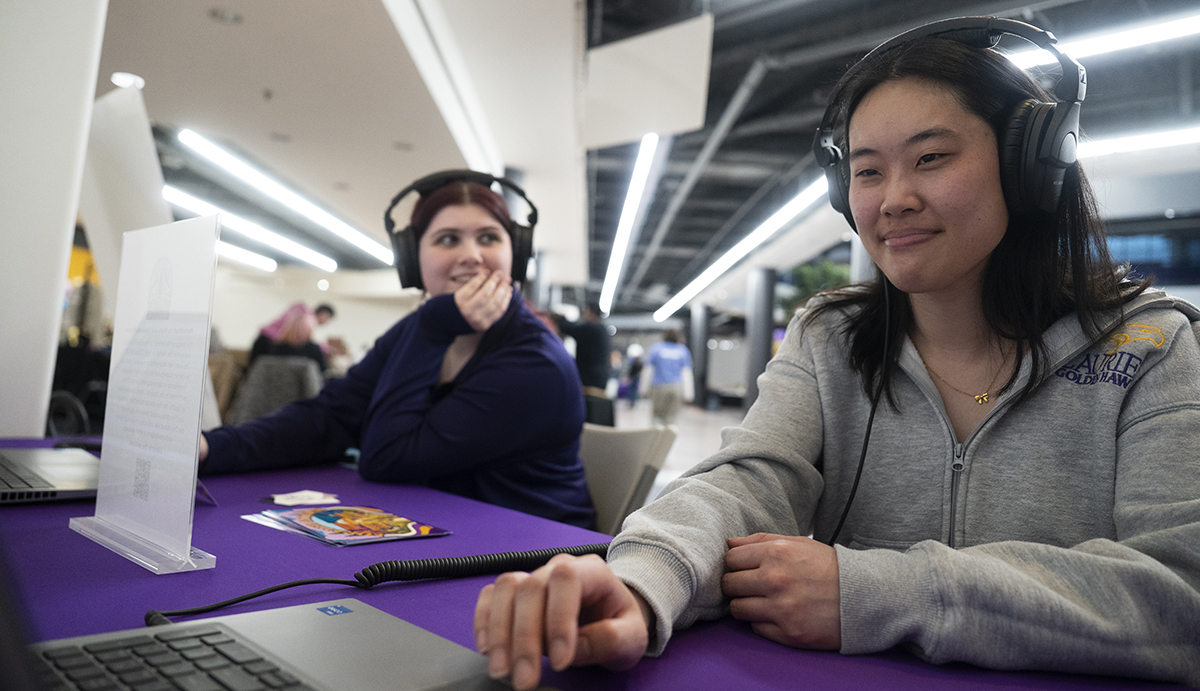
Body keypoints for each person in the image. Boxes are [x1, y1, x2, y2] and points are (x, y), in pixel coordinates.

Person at [471, 19, 1200, 690]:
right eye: (868, 170)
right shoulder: (831, 339)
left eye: (932, 157)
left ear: (1028, 167)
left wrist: (877, 591)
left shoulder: (1151, 346)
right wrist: (637, 581)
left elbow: (1181, 592)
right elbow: (744, 484)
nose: (895, 198)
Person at [199, 175, 595, 529]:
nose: (471, 254)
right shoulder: (421, 328)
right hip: (447, 530)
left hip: (532, 559)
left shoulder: (534, 363)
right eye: (447, 239)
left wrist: (434, 325)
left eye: (489, 237)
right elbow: (331, 416)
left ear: (516, 256)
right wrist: (212, 447)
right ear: (412, 261)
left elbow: (388, 458)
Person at [640, 329, 693, 425]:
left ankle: (656, 438)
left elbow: (648, 370)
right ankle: (668, 438)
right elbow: (686, 373)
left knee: (656, 416)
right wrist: (689, 394)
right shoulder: (683, 350)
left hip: (659, 387)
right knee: (671, 417)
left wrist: (643, 389)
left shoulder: (656, 348)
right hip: (676, 387)